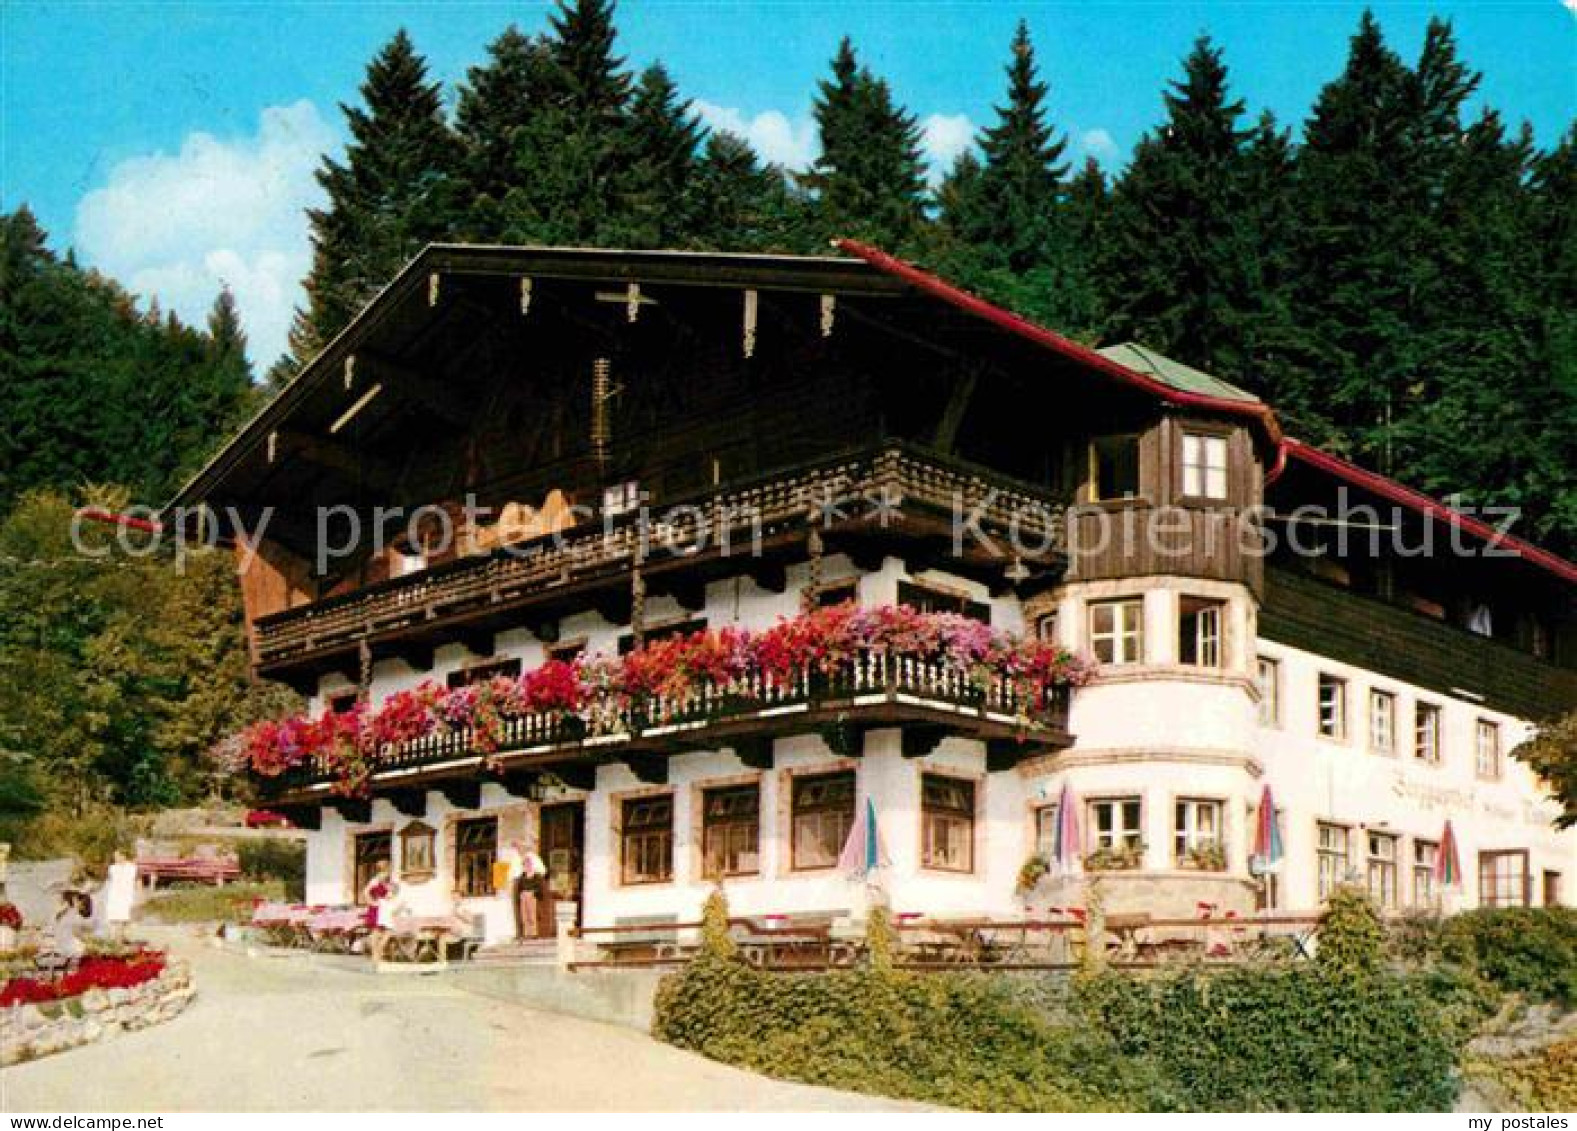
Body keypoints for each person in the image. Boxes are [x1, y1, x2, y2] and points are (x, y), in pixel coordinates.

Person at [362, 861, 399, 962]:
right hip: (377, 908)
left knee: (386, 931)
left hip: (385, 908)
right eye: (389, 868)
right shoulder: (375, 880)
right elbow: (365, 892)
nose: (389, 871)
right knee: (377, 932)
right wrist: (371, 902)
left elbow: (392, 892)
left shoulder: (387, 881)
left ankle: (379, 954)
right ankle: (376, 956)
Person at [513, 842, 547, 941]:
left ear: (531, 865)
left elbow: (539, 888)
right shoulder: (522, 877)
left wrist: (533, 893)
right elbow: (519, 888)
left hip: (532, 896)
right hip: (524, 896)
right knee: (524, 916)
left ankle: (533, 933)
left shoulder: (536, 876)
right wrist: (521, 894)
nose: (527, 866)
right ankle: (526, 933)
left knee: (532, 915)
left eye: (528, 864)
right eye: (525, 864)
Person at [103, 850, 137, 940]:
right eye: (115, 856)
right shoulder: (112, 868)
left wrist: (138, 895)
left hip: (126, 896)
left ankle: (120, 939)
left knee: (123, 919)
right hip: (114, 895)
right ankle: (114, 939)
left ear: (123, 856)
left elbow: (137, 882)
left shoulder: (132, 868)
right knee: (113, 919)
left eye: (117, 856)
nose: (115, 858)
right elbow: (109, 881)